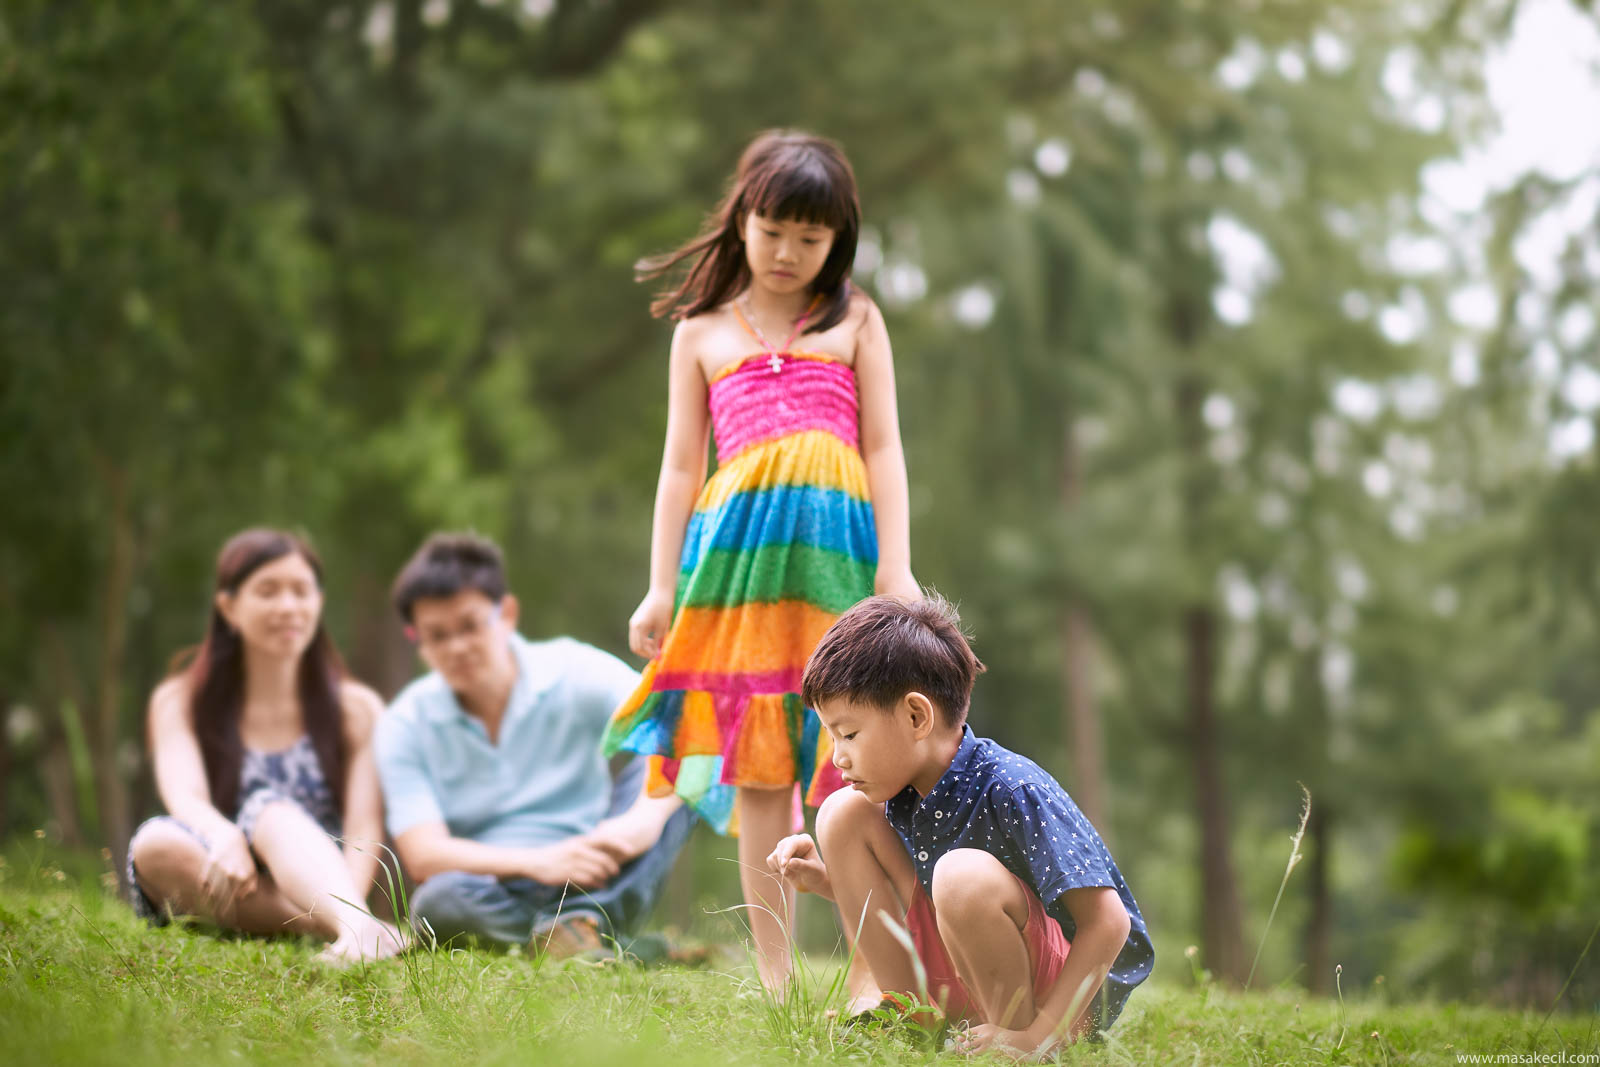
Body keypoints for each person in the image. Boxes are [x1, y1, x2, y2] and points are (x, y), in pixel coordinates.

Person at [603, 129, 919, 989]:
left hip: (838, 568)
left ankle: (872, 971)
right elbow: (678, 467)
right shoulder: (700, 332)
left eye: (811, 238)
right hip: (736, 578)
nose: (788, 253)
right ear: (742, 219)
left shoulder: (856, 320)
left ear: (837, 242)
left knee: (861, 758)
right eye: (773, 229)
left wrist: (897, 566)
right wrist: (660, 585)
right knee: (761, 773)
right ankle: (775, 972)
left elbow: (884, 448)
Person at [766, 595, 1154, 1058]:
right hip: (973, 960)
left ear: (916, 716)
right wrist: (826, 882)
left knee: (959, 874)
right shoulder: (907, 790)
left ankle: (1014, 1045)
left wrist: (1041, 1034)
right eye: (832, 736)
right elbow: (927, 906)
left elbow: (1109, 924)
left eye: (848, 734)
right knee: (841, 812)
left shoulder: (1013, 789)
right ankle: (913, 1017)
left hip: (1060, 999)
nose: (838, 756)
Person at [375, 533, 692, 955]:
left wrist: (640, 824)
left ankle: (579, 923)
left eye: (470, 626)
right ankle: (582, 935)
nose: (457, 647)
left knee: (673, 776)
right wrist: (539, 862)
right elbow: (424, 854)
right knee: (436, 902)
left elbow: (682, 733)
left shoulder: (572, 669)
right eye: (437, 636)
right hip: (495, 886)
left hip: (599, 866)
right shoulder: (405, 722)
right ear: (417, 640)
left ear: (505, 614)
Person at [127, 528, 404, 964]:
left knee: (270, 813)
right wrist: (227, 836)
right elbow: (185, 796)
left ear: (319, 602)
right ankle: (361, 930)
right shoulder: (180, 700)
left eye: (301, 591)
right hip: (224, 874)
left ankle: (349, 921)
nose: (288, 607)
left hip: (329, 881)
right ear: (229, 607)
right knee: (153, 844)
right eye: (268, 592)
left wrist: (347, 897)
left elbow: (363, 828)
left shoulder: (357, 709)